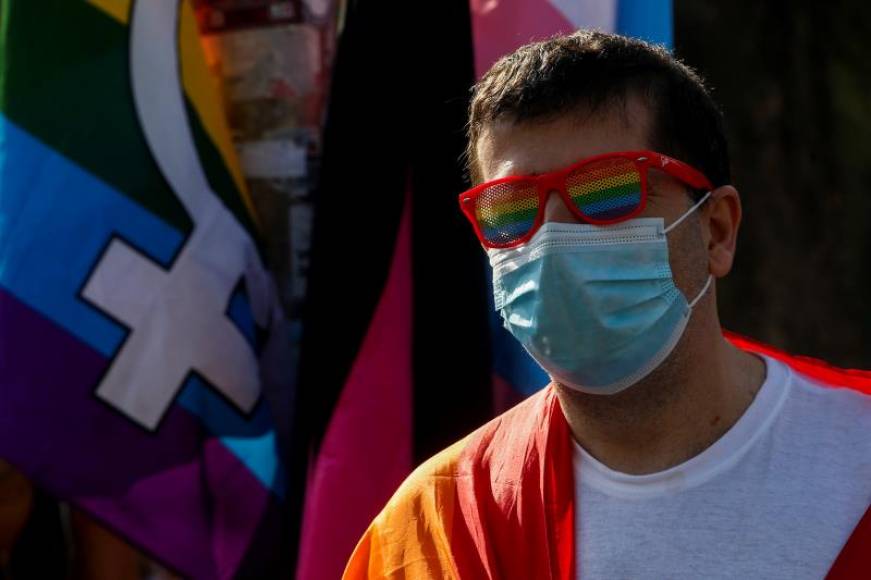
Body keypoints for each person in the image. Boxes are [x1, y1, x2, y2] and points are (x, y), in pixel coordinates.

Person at [343, 30, 871, 579]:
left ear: (716, 231)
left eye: (608, 191)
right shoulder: (437, 527)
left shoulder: (859, 464)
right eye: (509, 211)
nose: (549, 241)